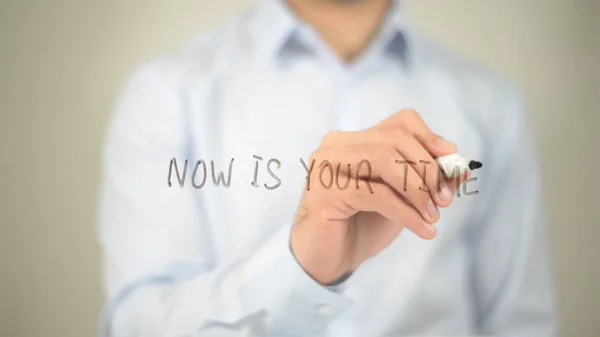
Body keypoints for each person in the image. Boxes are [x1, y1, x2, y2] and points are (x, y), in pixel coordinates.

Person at [97, 0, 559, 336]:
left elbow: (521, 323)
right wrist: (300, 268)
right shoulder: (167, 95)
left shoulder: (492, 106)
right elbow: (138, 325)